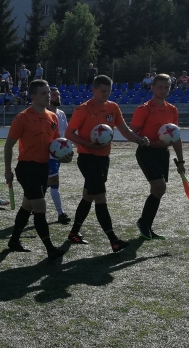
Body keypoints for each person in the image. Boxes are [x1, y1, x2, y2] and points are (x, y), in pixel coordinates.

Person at [64, 75, 149, 253]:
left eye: (109, 91)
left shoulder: (113, 107)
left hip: (103, 158)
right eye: (103, 91)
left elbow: (124, 129)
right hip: (87, 158)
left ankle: (74, 232)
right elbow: (69, 133)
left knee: (88, 196)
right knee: (100, 197)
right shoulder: (83, 109)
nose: (106, 94)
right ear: (94, 90)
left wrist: (138, 140)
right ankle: (113, 240)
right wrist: (86, 143)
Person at [4, 79, 71, 260]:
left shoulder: (53, 117)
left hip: (43, 168)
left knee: (27, 205)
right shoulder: (22, 118)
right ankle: (50, 249)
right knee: (40, 206)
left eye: (48, 92)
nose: (48, 95)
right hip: (26, 169)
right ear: (33, 96)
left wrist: (63, 156)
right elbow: (8, 145)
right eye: (43, 93)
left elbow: (55, 145)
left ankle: (14, 240)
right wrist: (7, 170)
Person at [130, 73, 185, 240]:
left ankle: (146, 224)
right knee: (160, 187)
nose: (163, 90)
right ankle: (144, 223)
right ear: (152, 88)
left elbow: (175, 136)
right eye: (160, 87)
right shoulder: (143, 109)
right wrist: (143, 140)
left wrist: (181, 161)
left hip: (163, 153)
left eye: (166, 87)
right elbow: (132, 132)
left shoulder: (172, 110)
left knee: (158, 190)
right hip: (146, 152)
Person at [46, 87, 70, 224]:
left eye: (58, 94)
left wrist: (68, 149)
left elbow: (65, 133)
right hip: (47, 156)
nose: (57, 97)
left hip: (58, 155)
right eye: (54, 95)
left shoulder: (61, 113)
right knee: (54, 182)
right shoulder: (44, 114)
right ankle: (61, 213)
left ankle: (32, 204)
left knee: (45, 184)